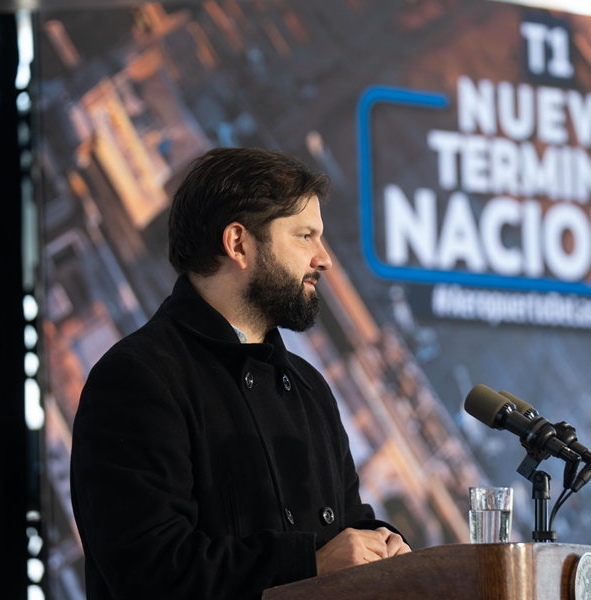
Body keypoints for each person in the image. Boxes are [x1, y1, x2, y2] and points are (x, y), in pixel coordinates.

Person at [70, 148, 410, 599]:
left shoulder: (310, 388)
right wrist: (308, 564)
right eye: (305, 236)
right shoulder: (137, 378)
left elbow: (343, 524)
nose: (324, 258)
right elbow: (148, 570)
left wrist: (384, 543)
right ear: (238, 244)